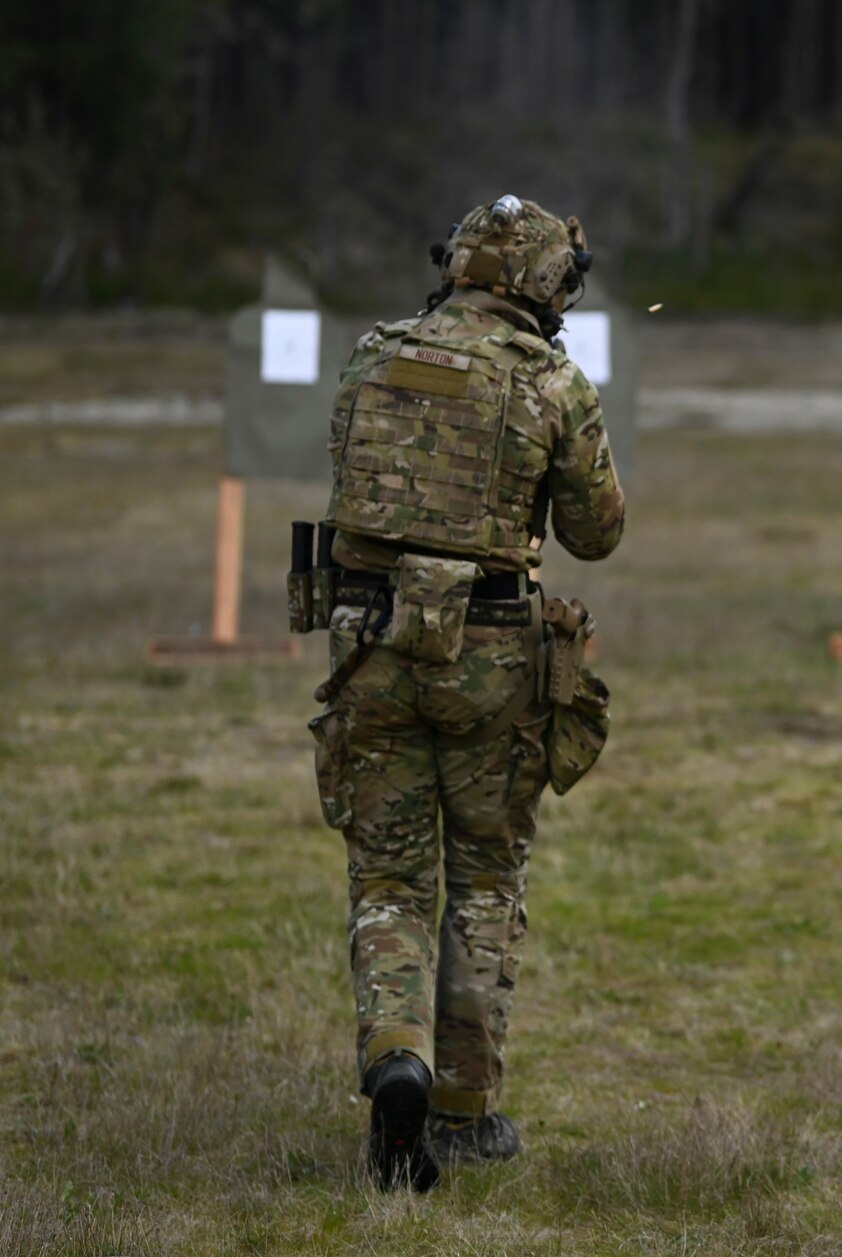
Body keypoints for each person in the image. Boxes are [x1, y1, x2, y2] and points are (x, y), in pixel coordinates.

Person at [306, 194, 623, 1191]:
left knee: (389, 881)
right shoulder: (550, 379)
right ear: (544, 284)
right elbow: (597, 531)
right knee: (484, 881)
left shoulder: (374, 350)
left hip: (370, 643)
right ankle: (464, 1109)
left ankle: (395, 1054)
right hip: (490, 655)